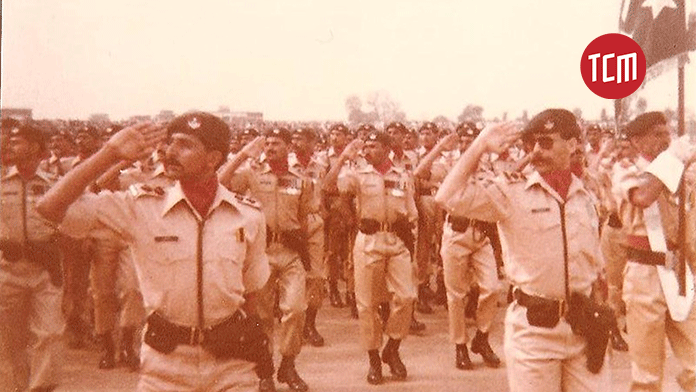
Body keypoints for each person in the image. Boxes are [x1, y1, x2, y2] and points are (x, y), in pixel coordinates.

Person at [37, 112, 271, 392]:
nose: (169, 152)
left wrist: (259, 357)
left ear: (213, 158)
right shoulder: (142, 207)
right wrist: (109, 154)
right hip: (165, 367)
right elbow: (49, 208)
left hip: (232, 363)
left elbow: (252, 293)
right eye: (169, 143)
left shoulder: (248, 215)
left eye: (184, 145)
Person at [435, 109, 608, 392]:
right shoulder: (511, 192)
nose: (536, 151)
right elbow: (447, 196)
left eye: (546, 142)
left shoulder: (584, 195)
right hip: (534, 332)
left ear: (573, 144)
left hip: (583, 328)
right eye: (532, 144)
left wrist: (602, 306)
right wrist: (479, 145)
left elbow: (594, 260)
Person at [220, 127, 312, 392]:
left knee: (295, 310)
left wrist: (304, 249)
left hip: (291, 251)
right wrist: (241, 155)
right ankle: (264, 371)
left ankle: (289, 364)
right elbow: (221, 181)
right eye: (267, 143)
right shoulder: (252, 174)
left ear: (288, 148)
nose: (270, 147)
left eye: (276, 143)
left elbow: (305, 216)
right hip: (261, 252)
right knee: (260, 316)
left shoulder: (300, 178)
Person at [323, 131, 418, 385]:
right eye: (365, 147)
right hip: (369, 240)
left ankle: (392, 348)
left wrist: (411, 242)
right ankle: (375, 359)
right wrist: (344, 157)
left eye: (373, 147)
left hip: (397, 240)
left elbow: (411, 212)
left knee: (406, 296)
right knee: (367, 305)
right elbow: (329, 186)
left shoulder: (403, 176)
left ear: (387, 149)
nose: (367, 151)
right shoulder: (357, 174)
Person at [613, 111, 696, 392]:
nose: (665, 139)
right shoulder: (626, 169)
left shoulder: (677, 170)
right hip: (644, 273)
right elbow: (644, 196)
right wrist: (672, 160)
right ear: (636, 141)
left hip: (677, 271)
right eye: (656, 134)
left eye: (666, 133)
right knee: (647, 375)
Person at [418, 123, 502, 370]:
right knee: (457, 296)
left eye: (471, 140)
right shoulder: (449, 166)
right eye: (462, 141)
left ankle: (482, 337)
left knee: (492, 288)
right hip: (456, 232)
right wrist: (439, 148)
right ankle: (460, 346)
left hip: (481, 234)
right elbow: (420, 173)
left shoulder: (489, 168)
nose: (466, 145)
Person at [1, 123, 65, 392]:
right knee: (10, 341)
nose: (10, 146)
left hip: (45, 268)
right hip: (8, 267)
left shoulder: (54, 183)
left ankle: (40, 389)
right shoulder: (2, 181)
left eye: (17, 141)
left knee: (49, 334)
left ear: (35, 147)